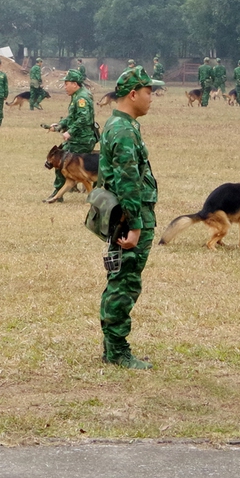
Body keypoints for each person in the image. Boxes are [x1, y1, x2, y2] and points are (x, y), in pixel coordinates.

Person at [97, 66, 163, 368]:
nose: (152, 98)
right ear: (133, 94)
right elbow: (127, 182)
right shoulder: (122, 130)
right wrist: (135, 226)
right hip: (128, 219)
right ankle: (117, 351)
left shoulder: (125, 125)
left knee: (122, 280)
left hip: (129, 216)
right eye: (150, 92)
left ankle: (113, 347)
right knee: (124, 283)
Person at [44, 68, 98, 201]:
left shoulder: (82, 98)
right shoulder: (77, 95)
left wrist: (70, 131)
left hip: (82, 139)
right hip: (79, 138)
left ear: (75, 84)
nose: (65, 87)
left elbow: (83, 119)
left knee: (60, 162)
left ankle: (59, 193)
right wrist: (60, 125)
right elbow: (72, 117)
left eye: (66, 84)